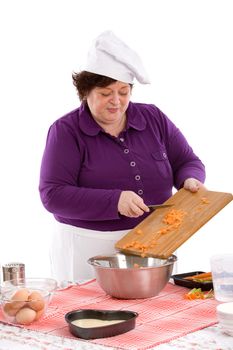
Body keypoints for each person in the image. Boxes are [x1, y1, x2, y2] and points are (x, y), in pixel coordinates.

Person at [39, 31, 205, 283]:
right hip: (88, 247)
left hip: (155, 241)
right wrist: (114, 200)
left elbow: (187, 161)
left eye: (123, 92)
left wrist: (189, 179)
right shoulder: (65, 131)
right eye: (106, 93)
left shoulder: (153, 118)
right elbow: (52, 195)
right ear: (85, 91)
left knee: (154, 315)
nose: (116, 101)